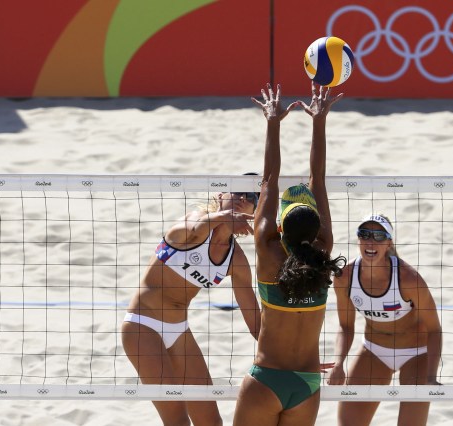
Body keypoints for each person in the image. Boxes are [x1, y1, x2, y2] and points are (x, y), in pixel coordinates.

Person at [233, 82, 346, 426]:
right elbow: (319, 178)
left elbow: (269, 178)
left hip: (266, 379)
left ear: (280, 227)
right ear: (317, 233)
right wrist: (320, 120)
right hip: (308, 384)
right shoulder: (324, 257)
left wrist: (273, 121)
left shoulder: (269, 254)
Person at [122, 186, 262, 426]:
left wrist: (288, 355)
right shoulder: (194, 221)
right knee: (176, 420)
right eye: (238, 192)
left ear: (253, 212)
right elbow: (197, 228)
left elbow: (254, 319)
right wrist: (223, 217)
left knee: (210, 421)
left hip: (179, 331)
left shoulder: (235, 260)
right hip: (142, 326)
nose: (242, 198)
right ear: (220, 196)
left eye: (251, 197)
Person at [328, 214, 443, 426]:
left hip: (415, 354)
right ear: (358, 239)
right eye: (365, 235)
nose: (371, 242)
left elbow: (435, 329)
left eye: (379, 236)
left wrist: (430, 376)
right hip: (374, 350)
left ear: (389, 243)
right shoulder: (344, 277)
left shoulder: (409, 279)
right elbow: (345, 326)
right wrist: (339, 363)